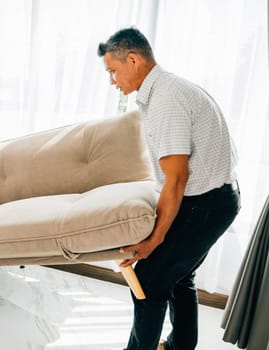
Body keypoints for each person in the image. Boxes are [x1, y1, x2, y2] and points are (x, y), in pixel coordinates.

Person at [97, 28, 241, 350]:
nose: (111, 80)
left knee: (148, 280)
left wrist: (153, 240)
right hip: (218, 199)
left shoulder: (167, 101)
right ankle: (179, 347)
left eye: (112, 70)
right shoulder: (169, 88)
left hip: (205, 205)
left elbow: (176, 179)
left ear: (132, 60)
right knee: (178, 277)